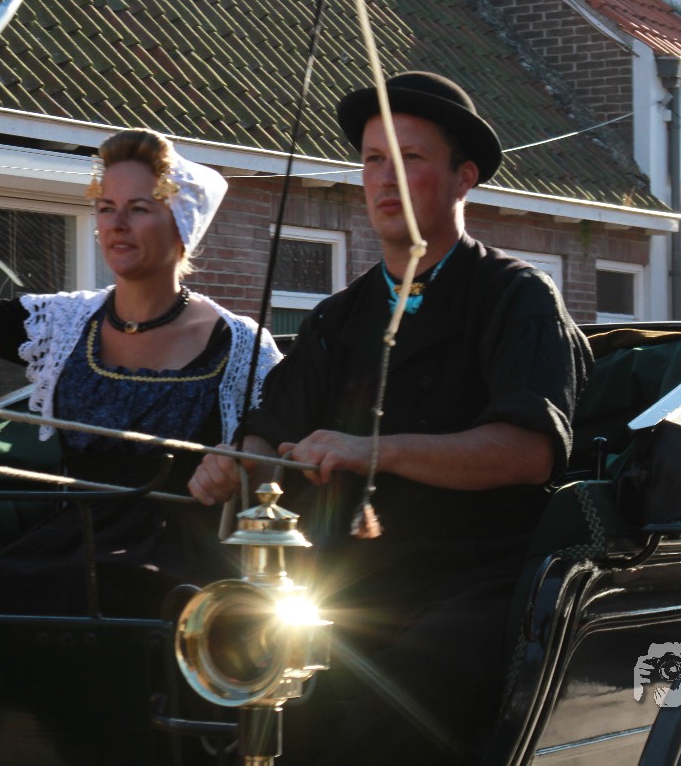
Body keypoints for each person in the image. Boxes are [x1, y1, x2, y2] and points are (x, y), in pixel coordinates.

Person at [190, 71, 592, 765]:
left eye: (410, 159)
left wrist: (374, 449)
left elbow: (528, 451)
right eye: (374, 159)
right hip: (348, 579)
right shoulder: (335, 319)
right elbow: (271, 429)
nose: (386, 179)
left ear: (464, 178)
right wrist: (235, 463)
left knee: (403, 692)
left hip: (480, 580)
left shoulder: (518, 298)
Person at [0, 104, 283, 615]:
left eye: (139, 208)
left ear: (183, 224)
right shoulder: (63, 325)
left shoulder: (242, 347)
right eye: (106, 207)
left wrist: (244, 462)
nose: (117, 224)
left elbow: (277, 460)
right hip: (69, 545)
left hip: (181, 566)